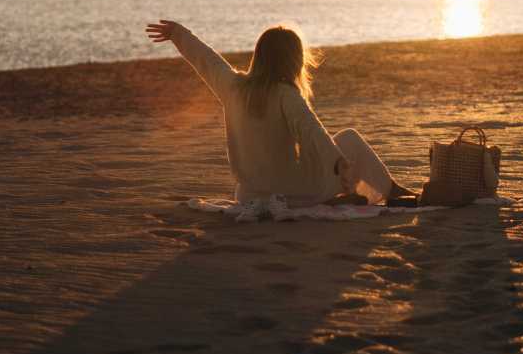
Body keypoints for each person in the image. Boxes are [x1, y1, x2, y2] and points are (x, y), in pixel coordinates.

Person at [145, 20, 415, 214]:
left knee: (331, 156)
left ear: (259, 56)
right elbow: (312, 131)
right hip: (292, 191)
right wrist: (339, 164)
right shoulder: (286, 93)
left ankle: (335, 197)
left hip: (249, 193)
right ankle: (392, 192)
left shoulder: (232, 86)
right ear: (294, 60)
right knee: (350, 139)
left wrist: (178, 34)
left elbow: (207, 60)